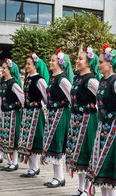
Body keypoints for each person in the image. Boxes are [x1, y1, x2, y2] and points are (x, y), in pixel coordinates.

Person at [85, 44, 116, 196]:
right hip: (102, 127)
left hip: (114, 129)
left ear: (110, 64)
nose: (98, 64)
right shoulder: (103, 81)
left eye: (101, 62)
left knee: (110, 167)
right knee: (100, 167)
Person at [65, 47, 100, 196]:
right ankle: (81, 188)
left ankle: (88, 189)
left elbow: (103, 98)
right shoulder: (78, 78)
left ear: (89, 62)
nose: (77, 61)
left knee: (85, 152)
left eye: (80, 59)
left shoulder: (91, 80)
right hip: (77, 119)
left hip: (87, 120)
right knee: (77, 154)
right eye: (77, 59)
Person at [41, 49, 74, 187]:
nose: (50, 62)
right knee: (52, 141)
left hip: (61, 114)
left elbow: (72, 98)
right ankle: (57, 176)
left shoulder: (62, 79)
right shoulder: (53, 77)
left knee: (58, 142)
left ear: (60, 63)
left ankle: (60, 177)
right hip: (53, 114)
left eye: (53, 60)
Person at [18, 53, 49, 177]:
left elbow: (47, 96)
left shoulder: (39, 80)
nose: (26, 66)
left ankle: (34, 167)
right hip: (27, 112)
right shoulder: (28, 79)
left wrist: (46, 108)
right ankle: (32, 167)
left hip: (36, 112)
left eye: (29, 64)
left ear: (35, 65)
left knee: (34, 139)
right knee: (27, 139)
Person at [0, 58, 25, 172]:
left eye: (4, 68)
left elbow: (22, 98)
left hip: (13, 114)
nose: (2, 70)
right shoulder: (3, 82)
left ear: (10, 69)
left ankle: (15, 162)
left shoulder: (13, 83)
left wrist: (22, 110)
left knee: (13, 137)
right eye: (2, 68)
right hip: (6, 113)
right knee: (5, 137)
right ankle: (9, 161)